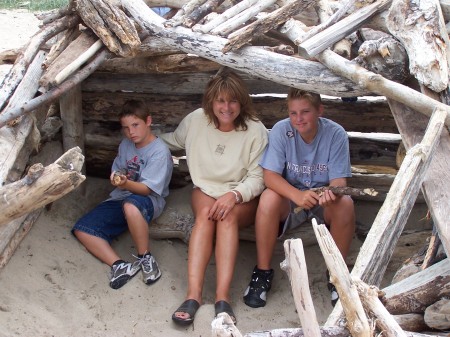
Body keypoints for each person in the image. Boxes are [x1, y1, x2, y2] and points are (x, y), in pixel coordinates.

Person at [159, 70, 268, 325]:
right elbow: (173, 140)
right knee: (206, 218)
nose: (226, 107)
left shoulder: (255, 130)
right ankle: (193, 295)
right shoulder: (196, 120)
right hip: (205, 191)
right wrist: (141, 140)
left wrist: (234, 194)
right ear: (211, 101)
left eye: (232, 101)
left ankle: (223, 298)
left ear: (242, 102)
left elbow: (259, 177)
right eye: (220, 100)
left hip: (241, 196)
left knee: (226, 219)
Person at [243, 88, 355, 308]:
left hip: (322, 197)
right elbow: (270, 175)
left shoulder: (336, 134)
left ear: (319, 110)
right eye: (293, 113)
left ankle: (337, 276)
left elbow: (339, 181)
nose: (298, 119)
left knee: (346, 204)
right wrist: (297, 195)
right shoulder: (281, 130)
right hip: (291, 196)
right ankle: (263, 272)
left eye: (305, 112)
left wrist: (331, 193)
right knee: (268, 199)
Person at [72, 99, 173, 290]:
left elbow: (147, 190)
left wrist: (126, 183)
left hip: (148, 200)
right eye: (126, 128)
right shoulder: (126, 145)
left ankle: (146, 258)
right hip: (121, 195)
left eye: (135, 125)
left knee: (131, 206)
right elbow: (118, 168)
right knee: (83, 229)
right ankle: (120, 265)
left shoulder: (159, 152)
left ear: (148, 121)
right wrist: (116, 177)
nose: (131, 132)